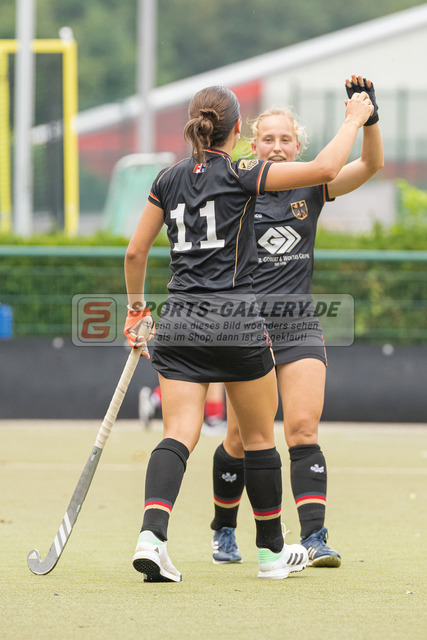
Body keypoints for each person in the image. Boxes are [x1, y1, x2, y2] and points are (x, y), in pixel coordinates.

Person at [123, 83, 373, 582]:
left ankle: (151, 539)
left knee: (178, 434)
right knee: (259, 439)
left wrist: (136, 311)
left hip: (178, 321)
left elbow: (134, 253)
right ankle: (272, 553)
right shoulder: (242, 173)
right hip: (237, 322)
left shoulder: (166, 179)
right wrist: (354, 118)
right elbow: (327, 168)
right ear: (239, 131)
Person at [210, 76, 383, 567]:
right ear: (252, 144)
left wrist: (370, 121)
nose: (277, 147)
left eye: (286, 139)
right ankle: (224, 528)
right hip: (246, 327)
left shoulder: (311, 183)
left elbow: (371, 165)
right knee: (240, 439)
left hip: (298, 323)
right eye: (268, 139)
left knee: (302, 429)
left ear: (298, 146)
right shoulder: (236, 185)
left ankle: (314, 537)